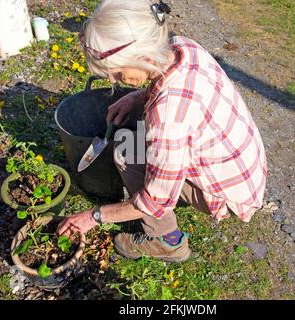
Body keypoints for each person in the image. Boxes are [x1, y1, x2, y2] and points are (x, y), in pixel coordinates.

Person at [57, 0, 267, 263]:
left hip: (227, 193)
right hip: (244, 168)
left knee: (126, 150)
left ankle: (166, 241)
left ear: (144, 57)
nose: (113, 81)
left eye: (118, 73)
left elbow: (155, 202)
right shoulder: (182, 46)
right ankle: (165, 192)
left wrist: (94, 216)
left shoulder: (168, 117)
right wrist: (135, 97)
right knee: (140, 136)